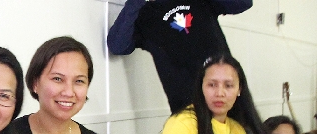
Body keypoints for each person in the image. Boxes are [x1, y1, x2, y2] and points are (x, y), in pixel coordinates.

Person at [107, 0, 252, 112]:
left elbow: (243, 3)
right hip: (187, 111)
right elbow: (117, 45)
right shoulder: (147, 14)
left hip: (228, 103)